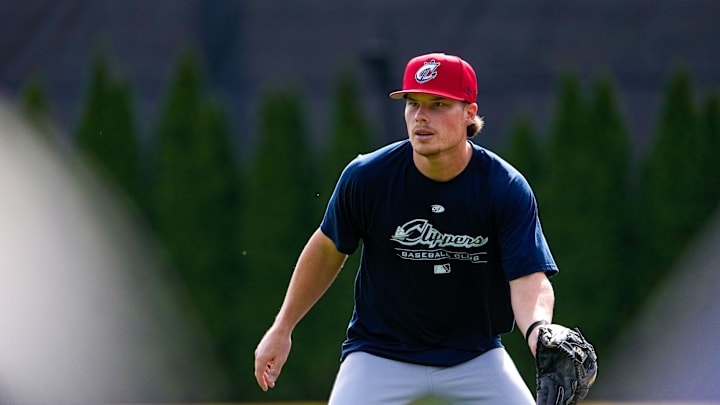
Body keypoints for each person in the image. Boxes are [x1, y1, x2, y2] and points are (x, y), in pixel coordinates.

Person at [254, 52, 558, 404]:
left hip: (474, 356)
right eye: (413, 103)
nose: (421, 116)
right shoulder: (368, 177)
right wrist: (283, 327)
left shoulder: (503, 186)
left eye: (438, 104)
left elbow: (528, 277)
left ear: (469, 113)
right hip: (379, 354)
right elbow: (326, 248)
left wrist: (540, 332)